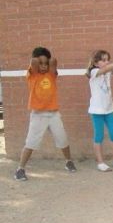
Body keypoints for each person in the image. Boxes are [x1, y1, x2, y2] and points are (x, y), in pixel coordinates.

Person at [14, 47, 77, 181]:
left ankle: (69, 161)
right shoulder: (32, 75)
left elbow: (53, 61)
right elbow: (33, 61)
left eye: (45, 64)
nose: (43, 66)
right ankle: (20, 169)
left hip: (53, 114)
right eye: (40, 63)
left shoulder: (51, 74)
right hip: (38, 115)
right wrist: (39, 60)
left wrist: (47, 60)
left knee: (63, 139)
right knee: (31, 143)